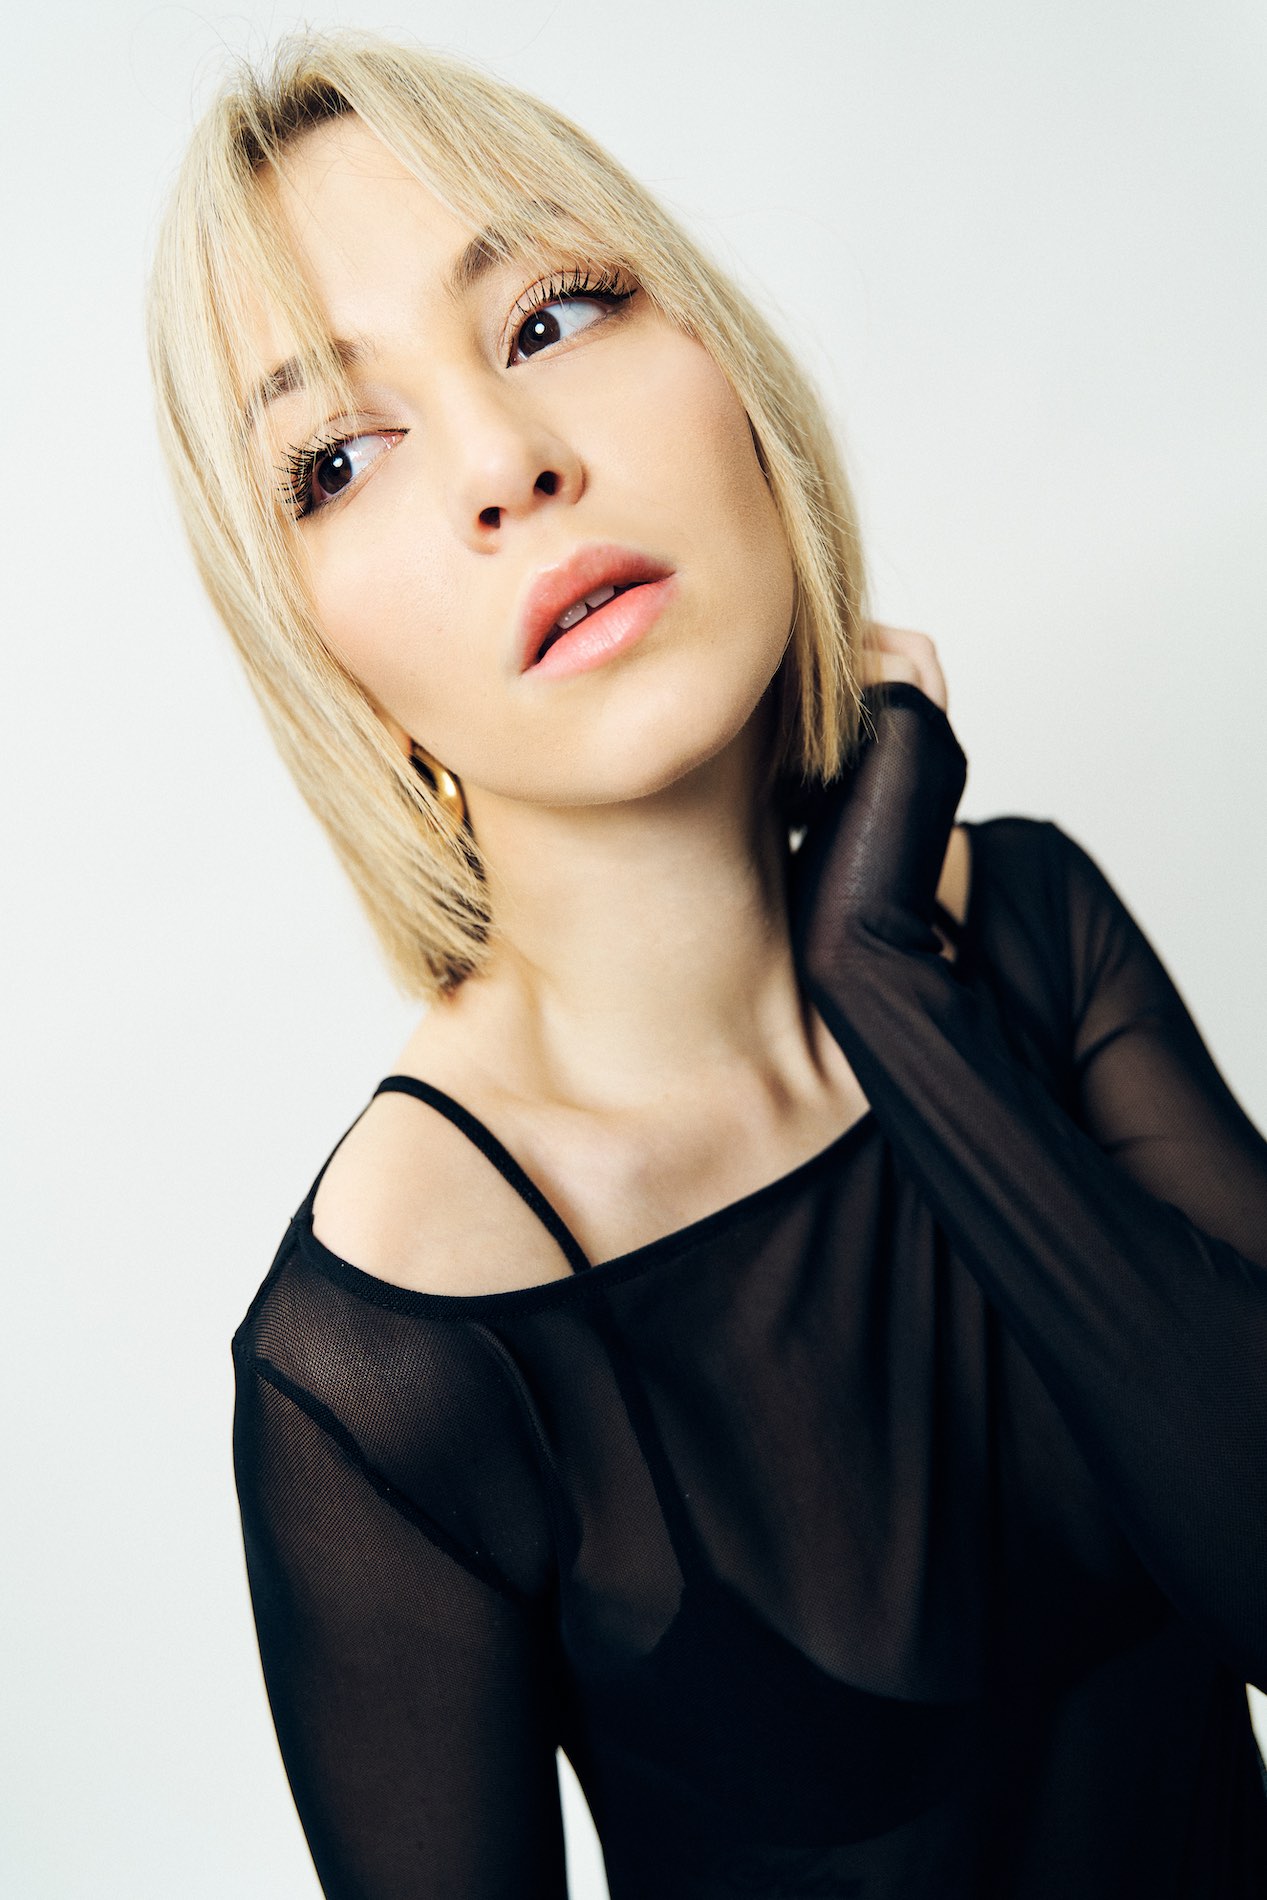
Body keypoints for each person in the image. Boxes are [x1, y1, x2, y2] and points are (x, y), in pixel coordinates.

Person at [146, 28, 1267, 1899]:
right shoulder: (388, 1356)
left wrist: (896, 1002)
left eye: (550, 316)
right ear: (324, 660)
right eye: (336, 457)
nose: (509, 461)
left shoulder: (1030, 935)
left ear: (730, 374)